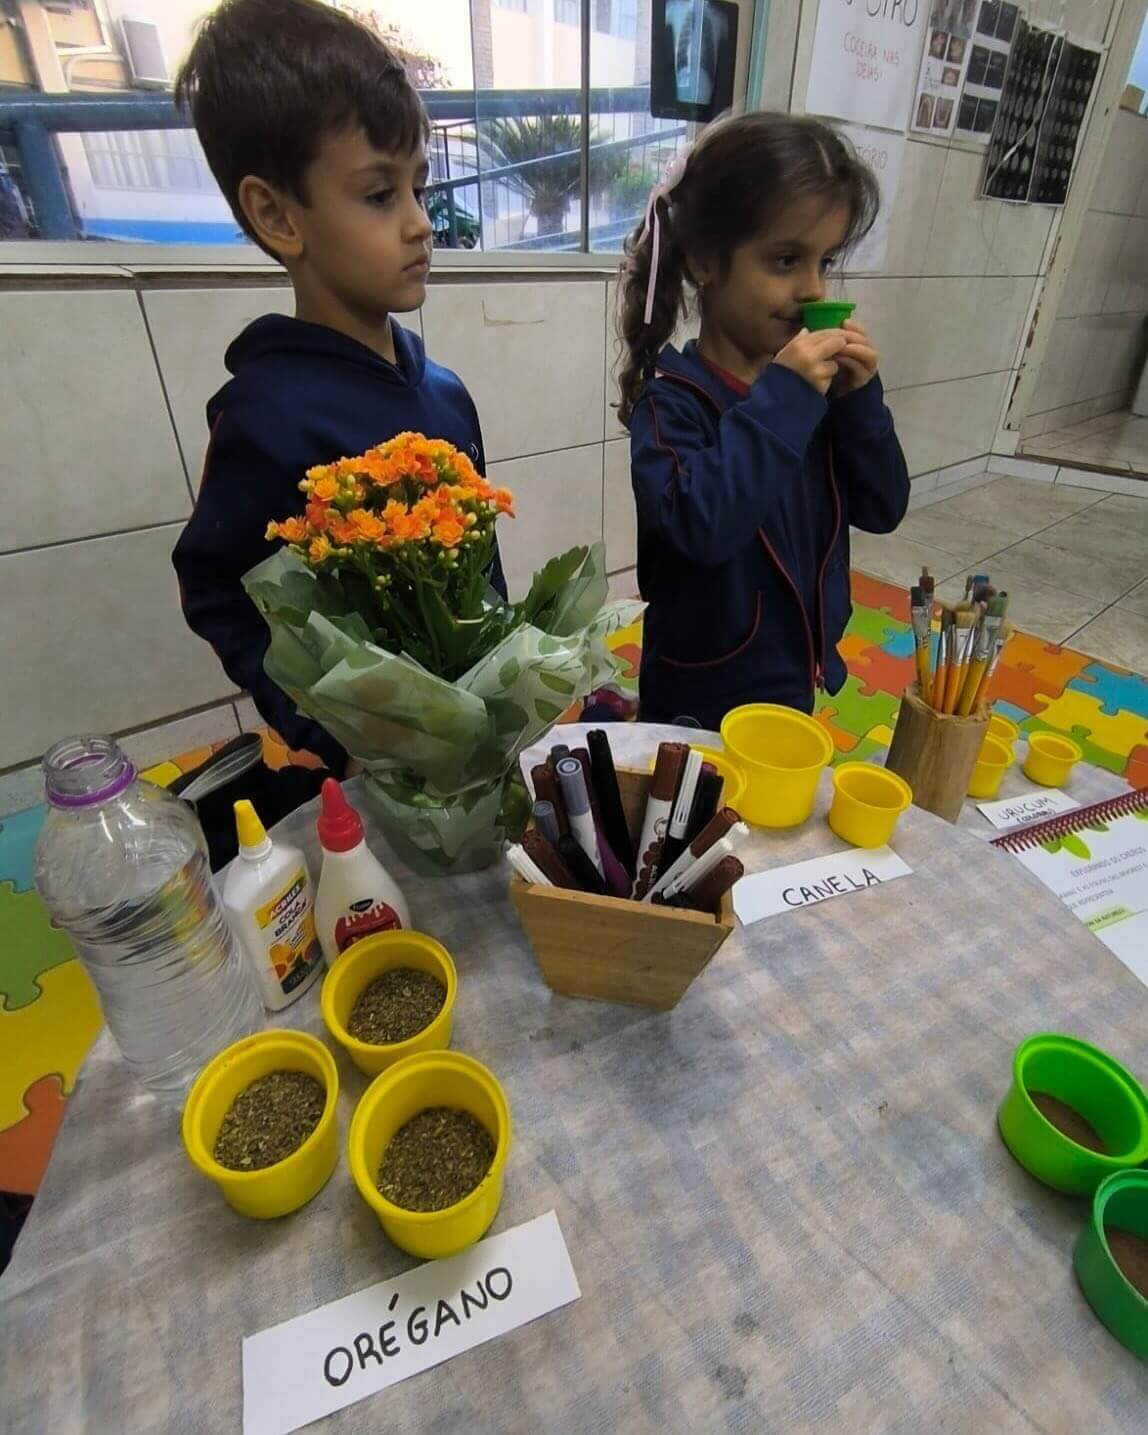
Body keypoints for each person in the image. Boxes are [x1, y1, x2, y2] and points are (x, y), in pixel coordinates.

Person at [171, 0, 501, 776]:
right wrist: (327, 734)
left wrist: (508, 676)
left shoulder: (446, 396)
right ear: (276, 215)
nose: (420, 223)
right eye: (380, 195)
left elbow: (482, 575)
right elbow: (216, 588)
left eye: (419, 186)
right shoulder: (267, 417)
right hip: (374, 775)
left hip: (477, 748)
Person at [615, 113, 909, 731]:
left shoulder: (814, 397)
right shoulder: (671, 406)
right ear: (705, 259)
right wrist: (786, 399)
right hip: (695, 705)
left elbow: (884, 506)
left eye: (825, 261)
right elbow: (700, 527)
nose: (814, 289)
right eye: (785, 260)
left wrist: (859, 403)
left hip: (792, 679)